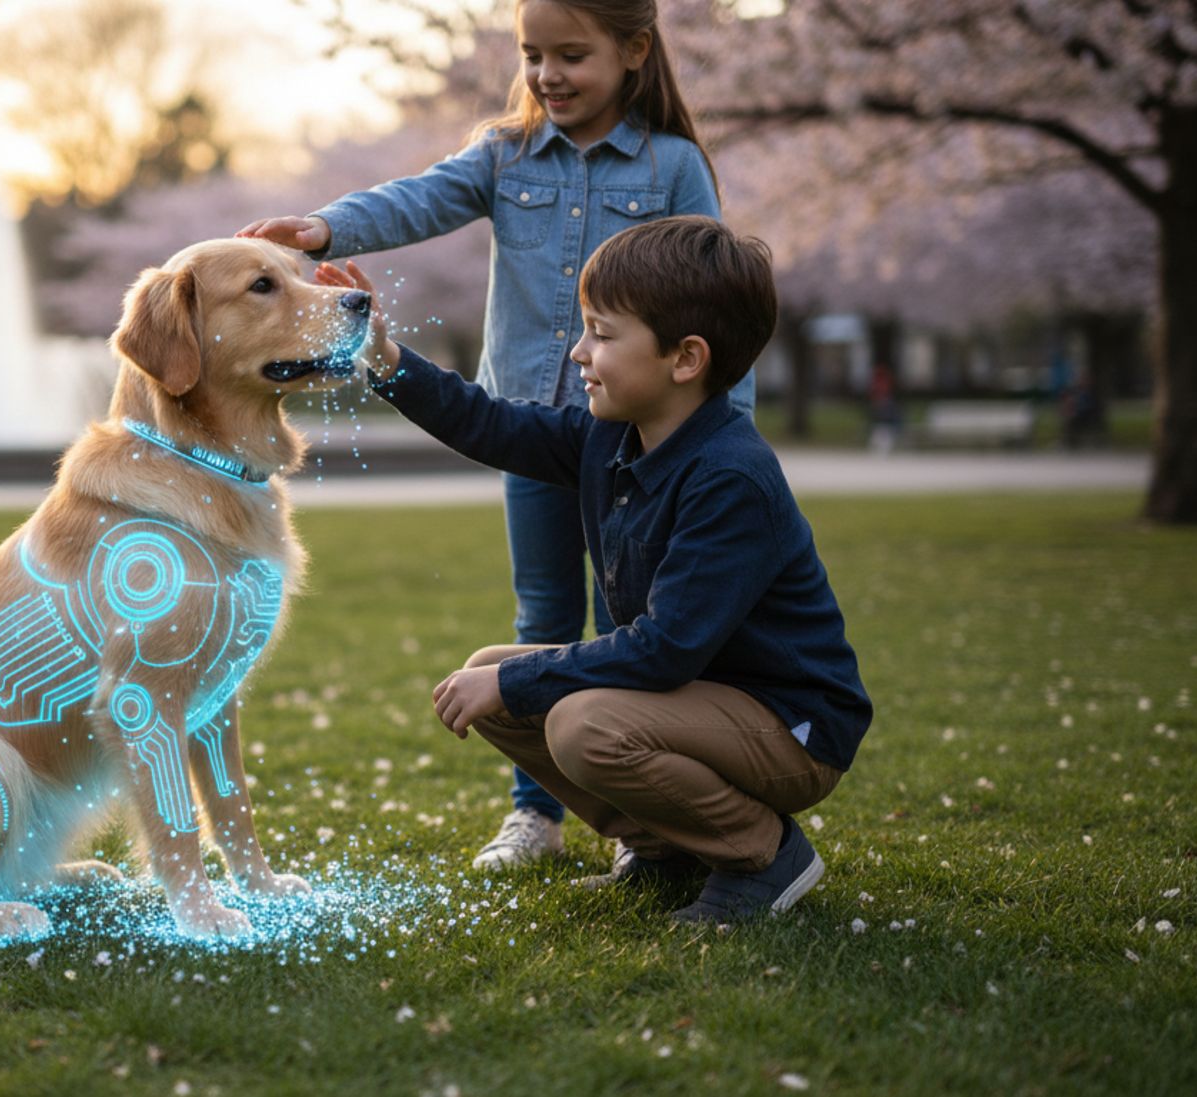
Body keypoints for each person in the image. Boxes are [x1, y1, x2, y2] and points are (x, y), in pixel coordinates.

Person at [239, 0, 755, 871]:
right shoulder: (506, 156)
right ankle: (536, 816)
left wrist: (720, 431)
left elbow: (716, 293)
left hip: (644, 441)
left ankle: (646, 823)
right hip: (534, 429)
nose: (548, 73)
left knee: (628, 618)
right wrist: (328, 227)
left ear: (633, 53)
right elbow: (422, 198)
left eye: (571, 54)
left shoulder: (671, 166)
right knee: (544, 616)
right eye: (532, 54)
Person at [321, 216, 872, 922]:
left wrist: (515, 681)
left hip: (789, 726)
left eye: (603, 334)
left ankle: (762, 854)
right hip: (698, 700)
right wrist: (385, 357)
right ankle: (662, 849)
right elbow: (490, 424)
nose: (579, 351)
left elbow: (663, 651)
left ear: (686, 358)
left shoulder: (731, 477)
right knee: (495, 668)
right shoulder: (611, 436)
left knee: (579, 720)